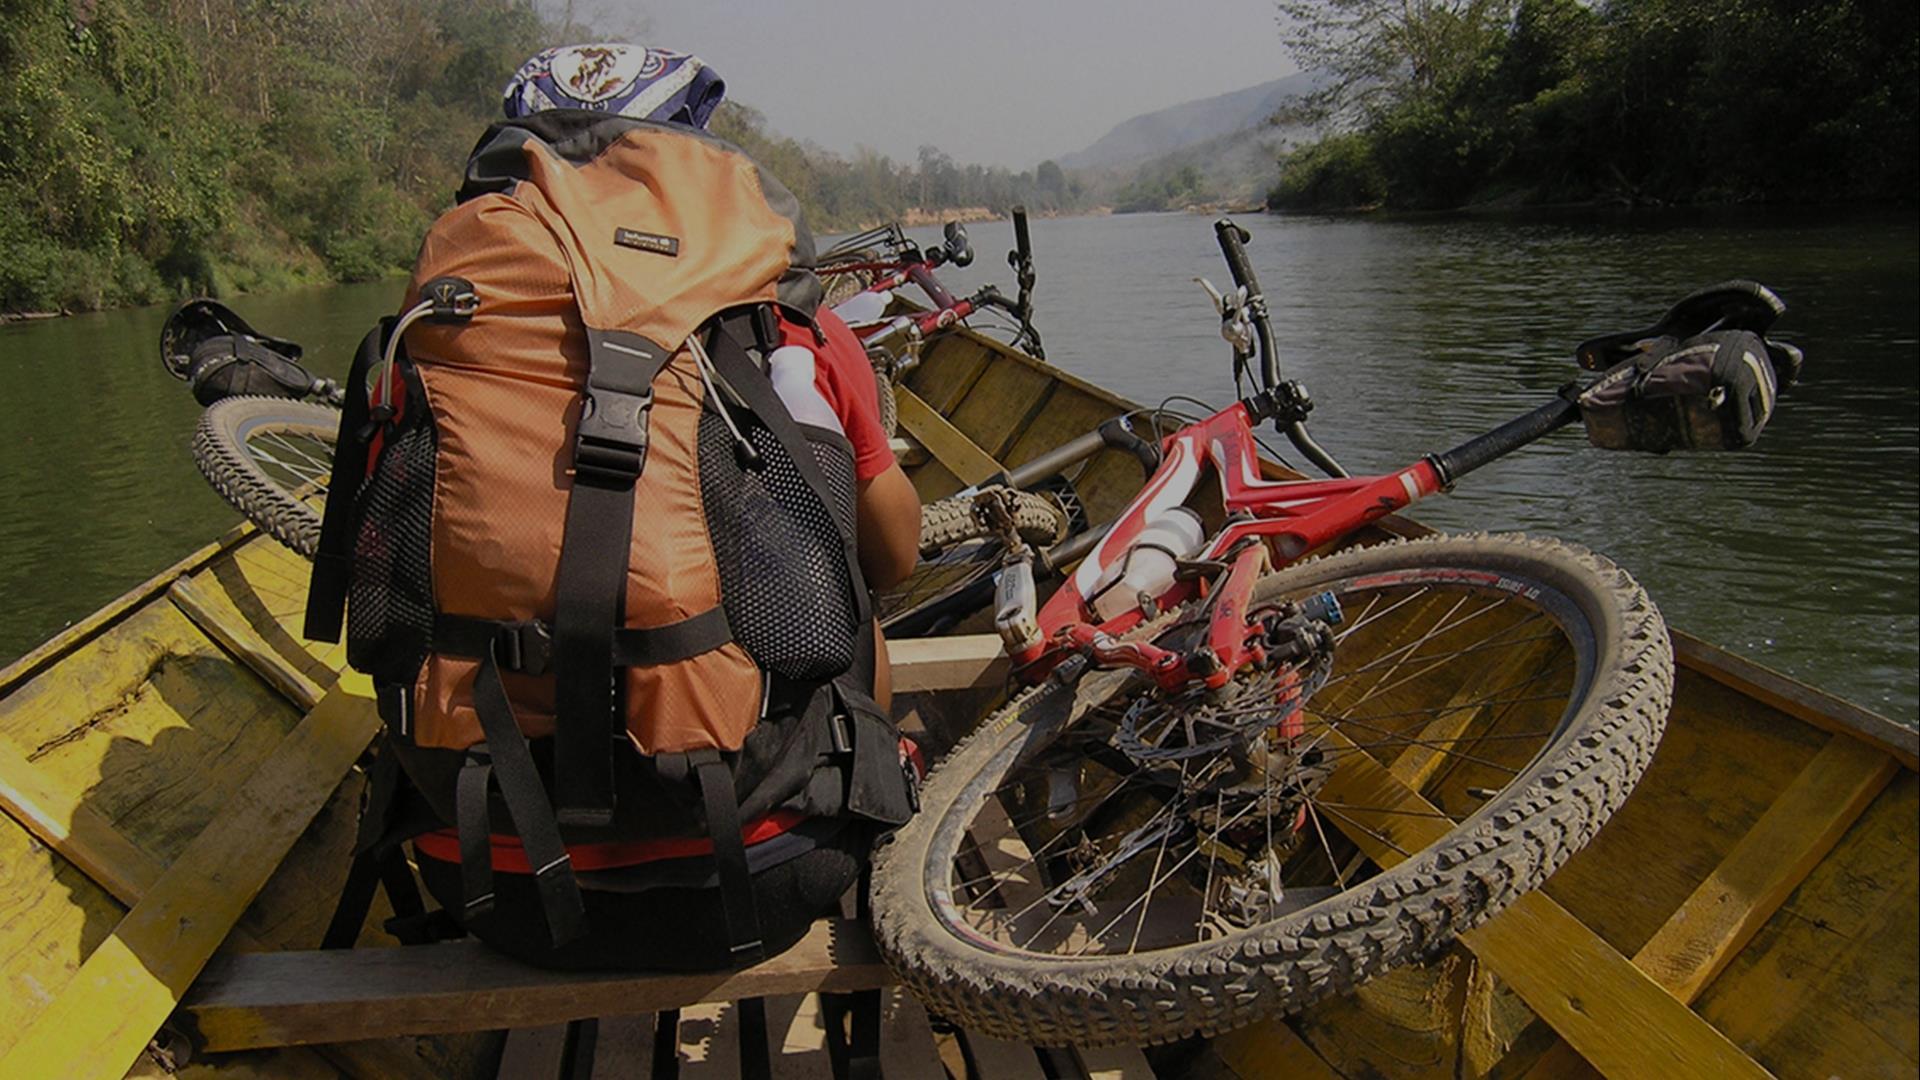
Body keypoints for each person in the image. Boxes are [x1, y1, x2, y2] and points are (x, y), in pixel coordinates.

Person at [399, 42, 923, 971]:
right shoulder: (796, 327)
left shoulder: (435, 332)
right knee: (855, 590)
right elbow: (895, 559)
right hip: (766, 874)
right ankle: (871, 809)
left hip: (488, 875)